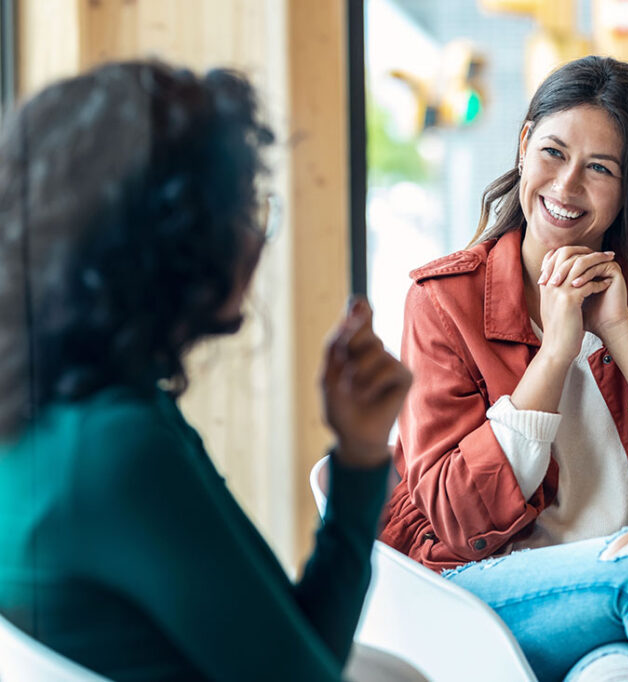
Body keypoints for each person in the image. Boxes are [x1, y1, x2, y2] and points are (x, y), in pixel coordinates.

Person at [0, 61, 412, 681]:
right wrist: (359, 469)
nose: (258, 238)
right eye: (246, 209)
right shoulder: (117, 452)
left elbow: (299, 650)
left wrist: (359, 455)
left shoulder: (58, 415)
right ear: (175, 240)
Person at [379, 55, 628, 681]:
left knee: (619, 675)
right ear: (524, 144)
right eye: (553, 153)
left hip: (612, 606)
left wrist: (621, 330)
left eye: (600, 168)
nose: (566, 185)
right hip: (481, 593)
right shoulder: (444, 301)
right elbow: (456, 518)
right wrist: (556, 353)